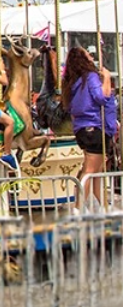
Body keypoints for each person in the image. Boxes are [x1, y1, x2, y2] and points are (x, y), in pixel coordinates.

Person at [61, 45, 118, 205]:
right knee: (90, 170)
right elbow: (101, 98)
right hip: (94, 128)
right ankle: (79, 207)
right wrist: (106, 78)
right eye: (89, 56)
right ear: (83, 60)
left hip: (82, 129)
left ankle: (103, 206)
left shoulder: (74, 83)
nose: (92, 58)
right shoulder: (90, 77)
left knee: (96, 171)